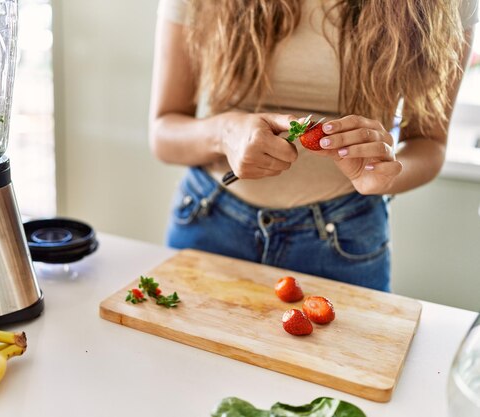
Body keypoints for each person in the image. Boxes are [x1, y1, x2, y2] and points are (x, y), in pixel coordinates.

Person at [148, 0, 478, 291]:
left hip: (345, 237)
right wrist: (225, 132)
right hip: (210, 224)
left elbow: (429, 144)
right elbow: (163, 133)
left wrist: (389, 174)